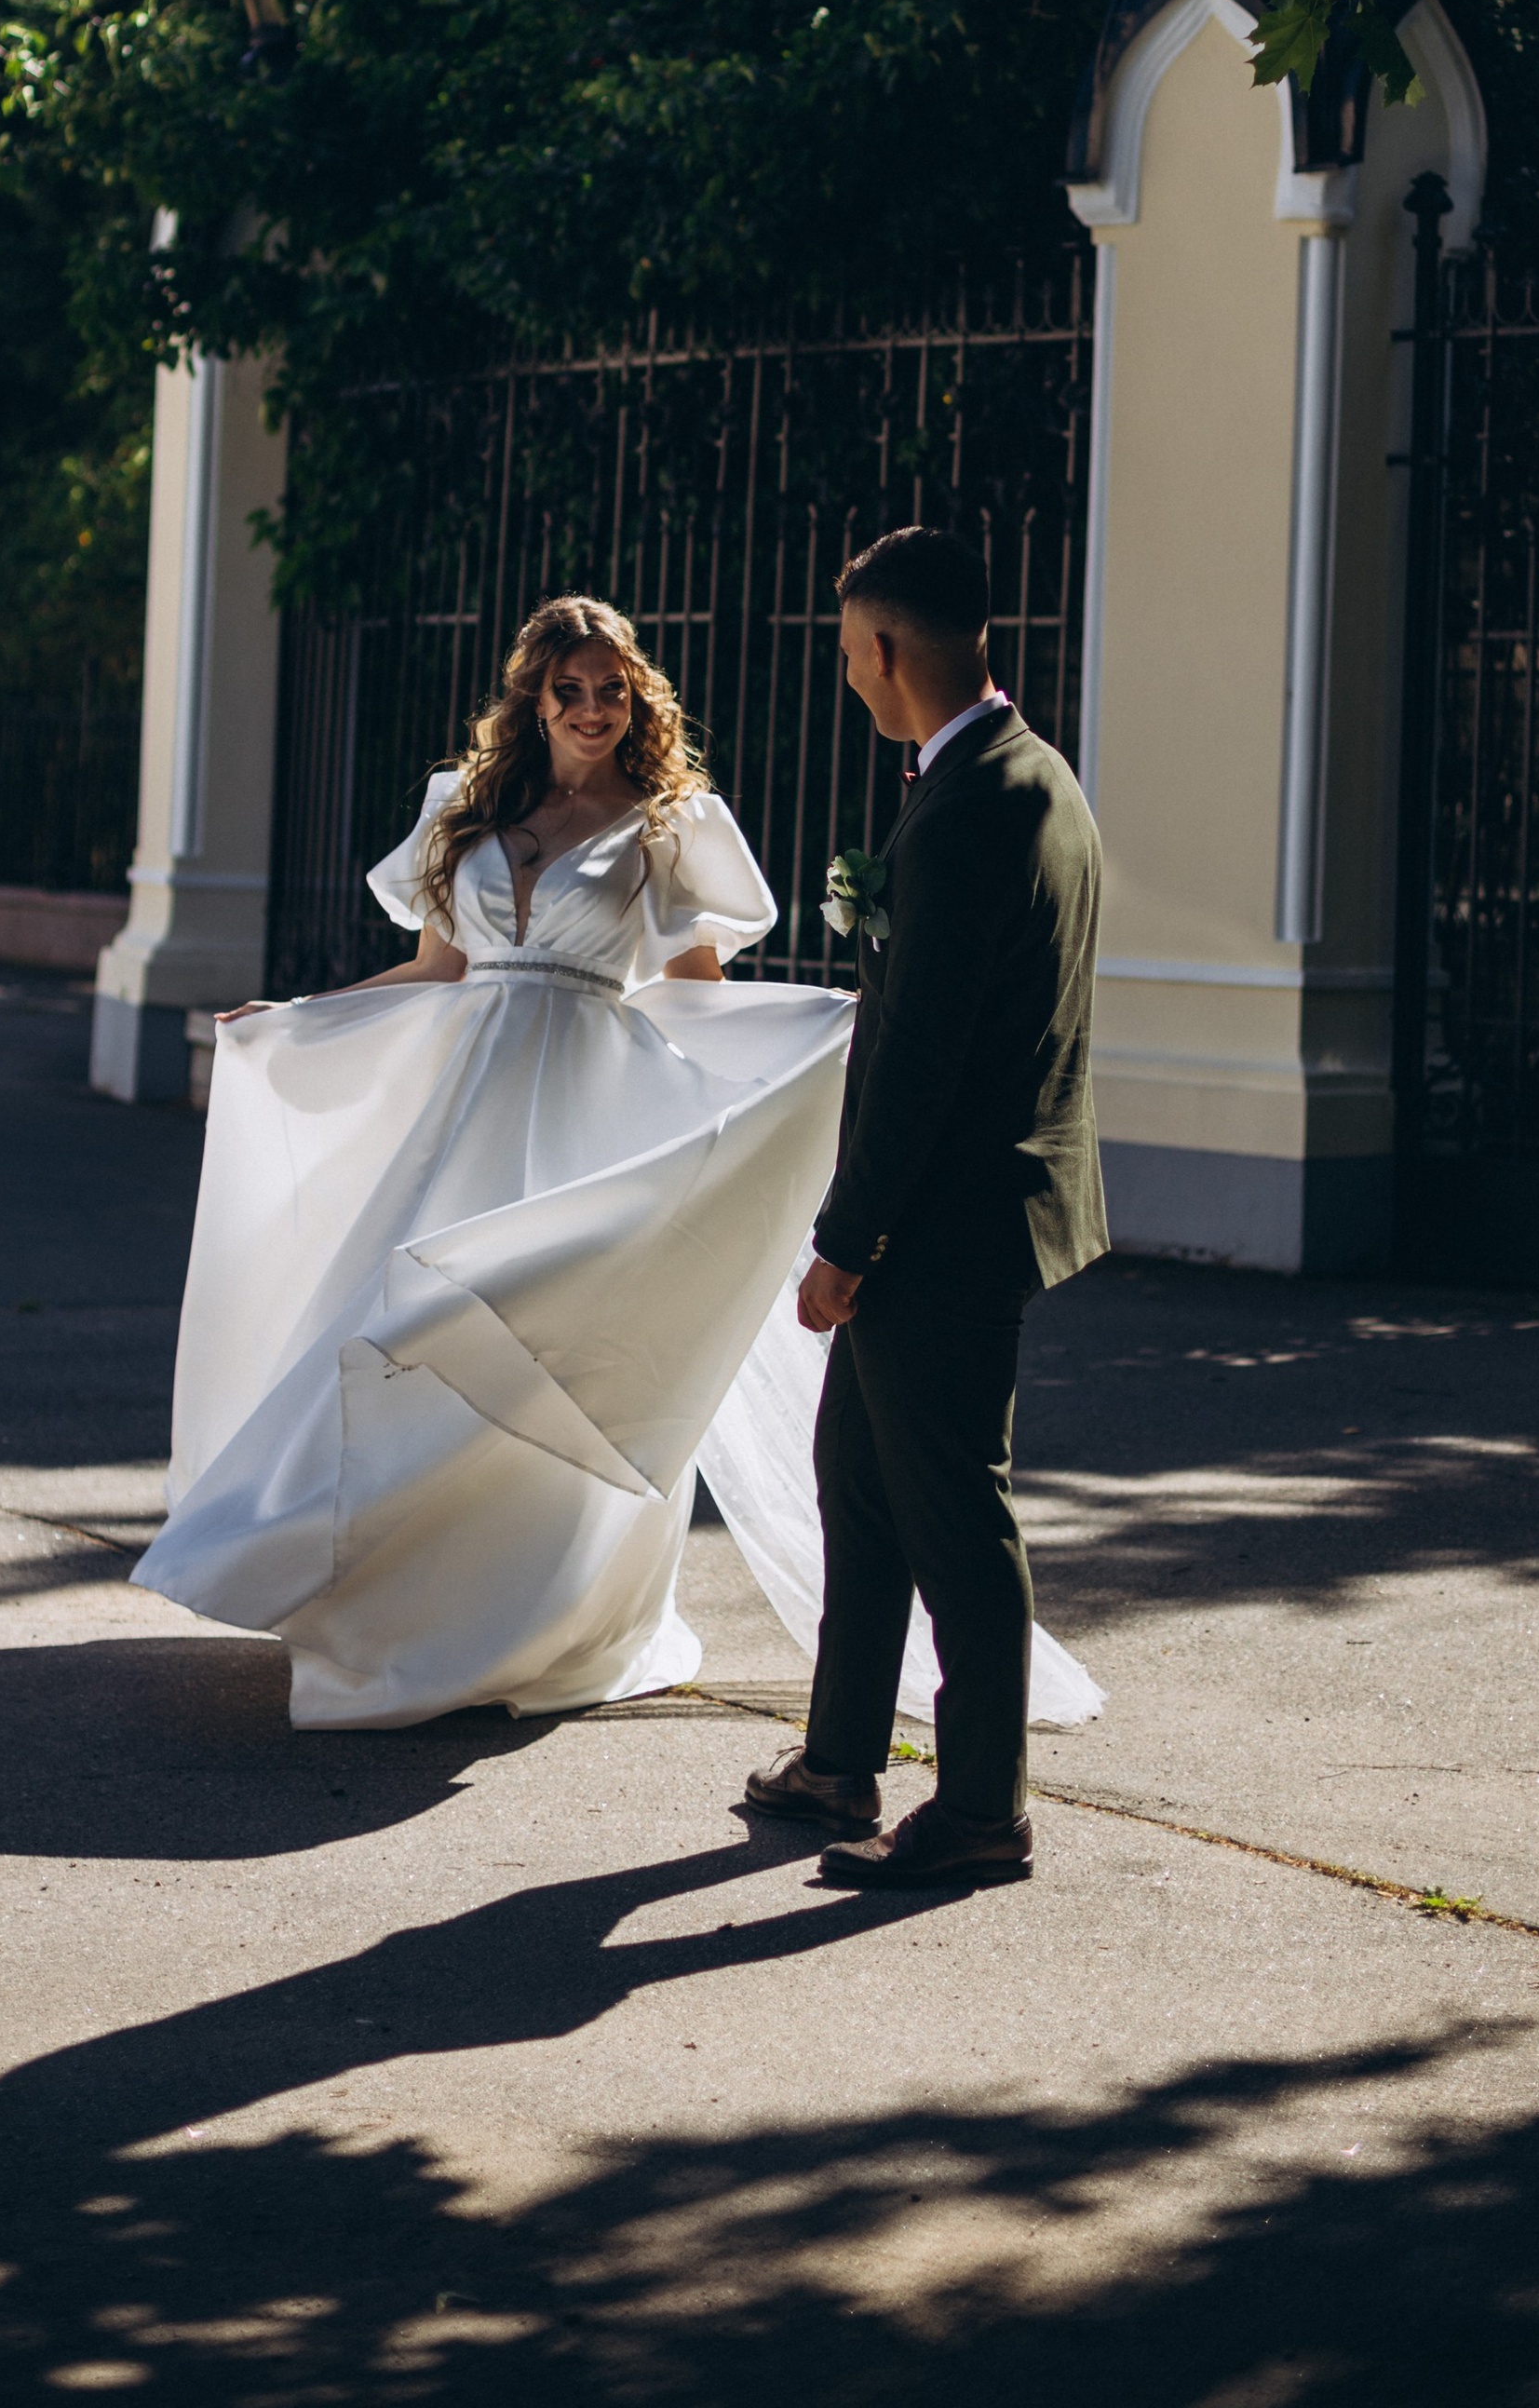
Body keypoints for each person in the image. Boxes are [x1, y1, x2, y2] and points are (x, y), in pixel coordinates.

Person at [129, 594, 858, 1725]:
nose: (592, 711)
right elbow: (438, 971)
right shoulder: (463, 812)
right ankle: (388, 1606)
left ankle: (534, 1618)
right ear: (532, 698)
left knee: (548, 1344)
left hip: (583, 1109)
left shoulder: (671, 824)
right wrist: (298, 1013)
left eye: (612, 690)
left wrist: (797, 1049)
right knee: (391, 1330)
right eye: (569, 690)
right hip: (464, 1109)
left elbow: (697, 995)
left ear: (637, 698)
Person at [745, 524, 1108, 1887]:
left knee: (956, 1509)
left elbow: (925, 1060)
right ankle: (842, 1754)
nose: (847, 676)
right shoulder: (1018, 777)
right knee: (862, 1482)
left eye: (848, 654)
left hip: (945, 1224)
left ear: (889, 649)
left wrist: (846, 1244)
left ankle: (983, 1805)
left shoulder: (975, 808)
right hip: (964, 1210)